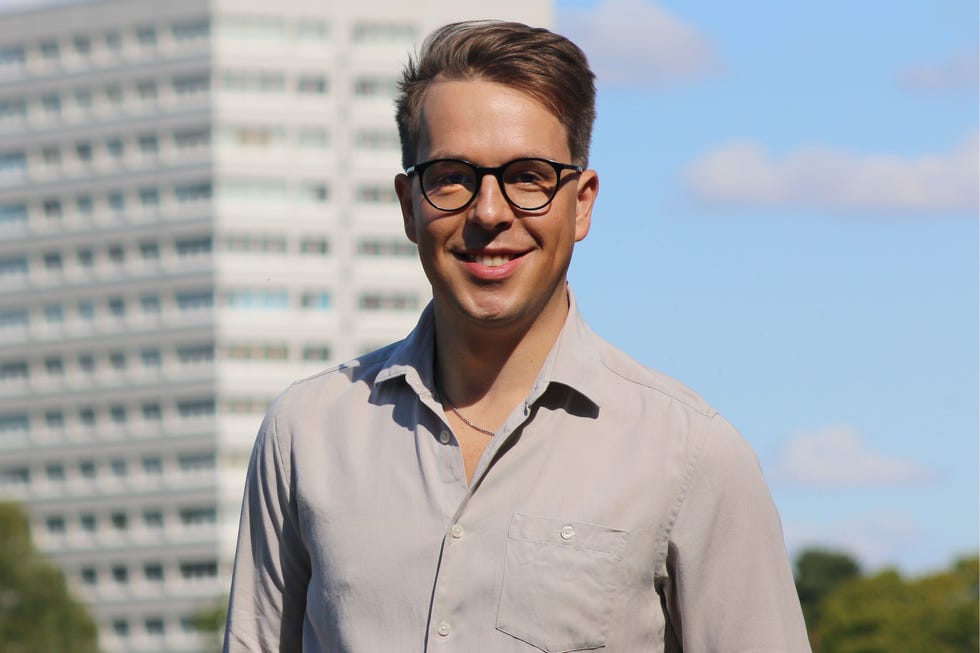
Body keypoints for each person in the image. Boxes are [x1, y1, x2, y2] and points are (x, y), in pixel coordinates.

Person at [223, 20, 811, 653]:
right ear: (408, 204)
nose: (489, 212)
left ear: (582, 203)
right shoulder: (305, 434)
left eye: (529, 175)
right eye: (451, 175)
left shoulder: (694, 456)